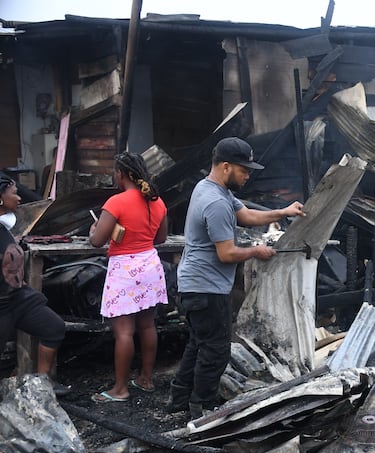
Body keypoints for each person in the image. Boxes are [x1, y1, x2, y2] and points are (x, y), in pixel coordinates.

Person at [168, 137, 305, 419]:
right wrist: (257, 250)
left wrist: (283, 211)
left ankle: (179, 399)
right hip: (205, 288)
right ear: (226, 166)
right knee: (216, 351)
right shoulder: (215, 202)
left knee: (199, 344)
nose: (248, 175)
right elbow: (227, 254)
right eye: (244, 170)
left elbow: (247, 215)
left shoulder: (212, 189)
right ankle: (203, 409)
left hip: (196, 285)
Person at [89, 152, 168, 403]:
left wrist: (93, 231)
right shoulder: (157, 202)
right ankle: (146, 379)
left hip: (124, 269)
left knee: (124, 332)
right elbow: (162, 239)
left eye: (115, 172)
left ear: (121, 174)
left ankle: (120, 389)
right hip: (150, 266)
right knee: (147, 325)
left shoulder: (116, 202)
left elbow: (97, 241)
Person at [0, 174, 69, 396]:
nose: (19, 198)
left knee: (53, 327)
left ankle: (43, 384)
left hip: (18, 298)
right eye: (14, 193)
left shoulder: (5, 226)